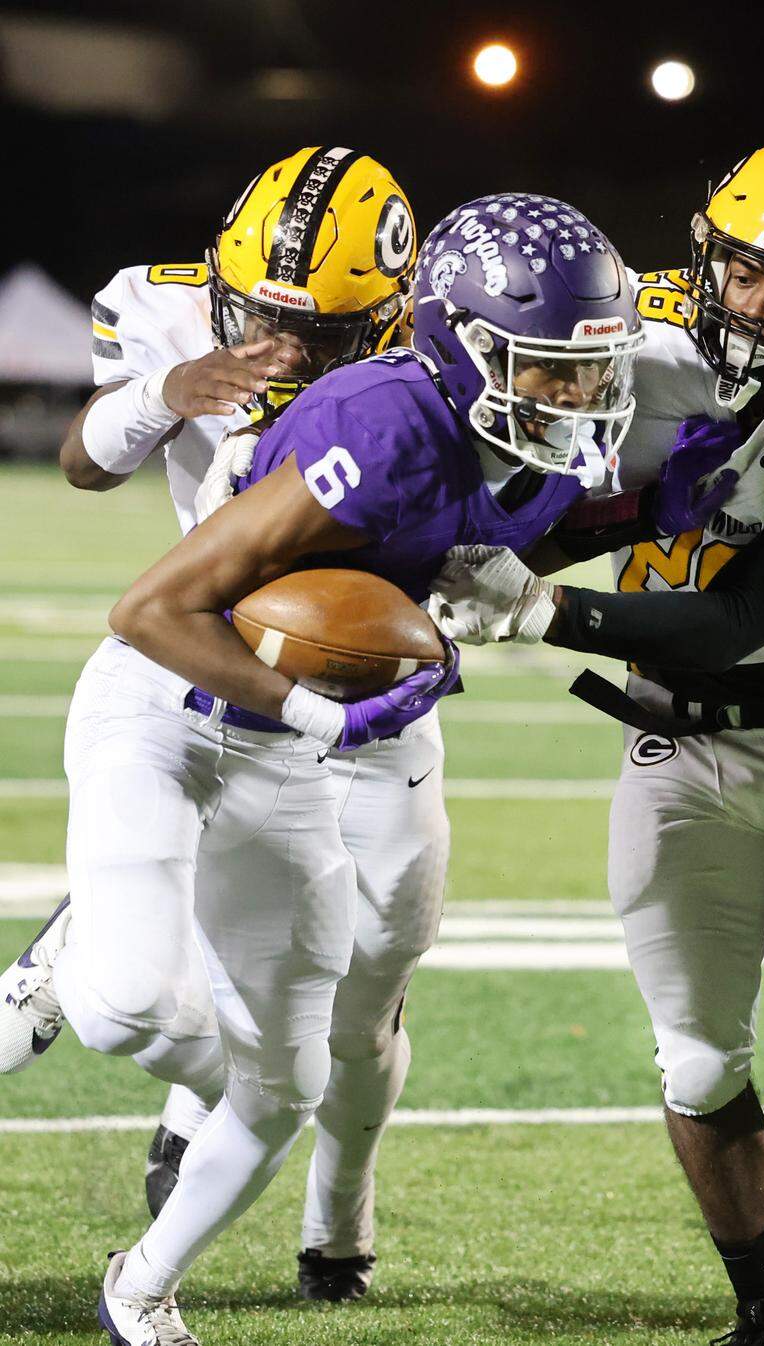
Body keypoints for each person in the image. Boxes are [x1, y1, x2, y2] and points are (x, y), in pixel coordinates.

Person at [3, 190, 735, 1346]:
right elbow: (149, 609)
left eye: (586, 370)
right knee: (135, 1003)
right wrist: (313, 708)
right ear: (463, 343)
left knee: (298, 1075)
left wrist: (595, 544)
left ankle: (141, 1286)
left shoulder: (530, 439)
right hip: (181, 700)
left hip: (315, 741)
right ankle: (87, 965)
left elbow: (510, 530)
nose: (577, 396)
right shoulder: (382, 421)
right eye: (548, 369)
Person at [430, 136, 764, 1346]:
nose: (763, 309)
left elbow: (743, 615)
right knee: (698, 1057)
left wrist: (544, 610)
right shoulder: (626, 325)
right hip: (672, 745)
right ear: (707, 252)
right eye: (748, 273)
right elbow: (534, 467)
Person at [3, 145, 438, 1305]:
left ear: (391, 314)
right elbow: (84, 464)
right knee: (197, 958)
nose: (286, 352)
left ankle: (338, 1215)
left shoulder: (443, 343)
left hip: (374, 682)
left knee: (378, 973)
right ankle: (200, 1088)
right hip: (217, 668)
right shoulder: (162, 304)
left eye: (323, 333)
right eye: (263, 320)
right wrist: (162, 392)